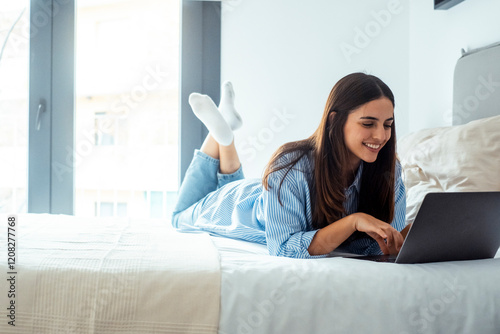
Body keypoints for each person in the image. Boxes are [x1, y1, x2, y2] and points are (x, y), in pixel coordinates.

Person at [172, 73, 408, 259]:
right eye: (368, 124)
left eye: (388, 125)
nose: (380, 135)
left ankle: (224, 130)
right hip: (238, 205)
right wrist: (353, 220)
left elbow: (382, 247)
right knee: (178, 217)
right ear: (335, 120)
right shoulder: (291, 166)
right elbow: (284, 248)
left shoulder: (390, 172)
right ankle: (223, 136)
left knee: (237, 183)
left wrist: (410, 236)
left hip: (265, 193)